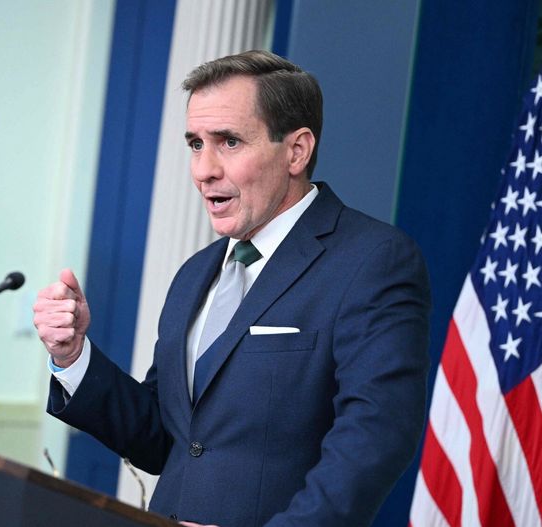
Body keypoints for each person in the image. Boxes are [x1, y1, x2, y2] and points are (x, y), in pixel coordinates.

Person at [33, 50, 430, 526]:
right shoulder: (194, 274)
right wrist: (74, 356)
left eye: (229, 142)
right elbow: (167, 439)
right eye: (196, 144)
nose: (204, 170)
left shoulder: (371, 260)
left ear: (297, 151)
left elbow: (376, 436)